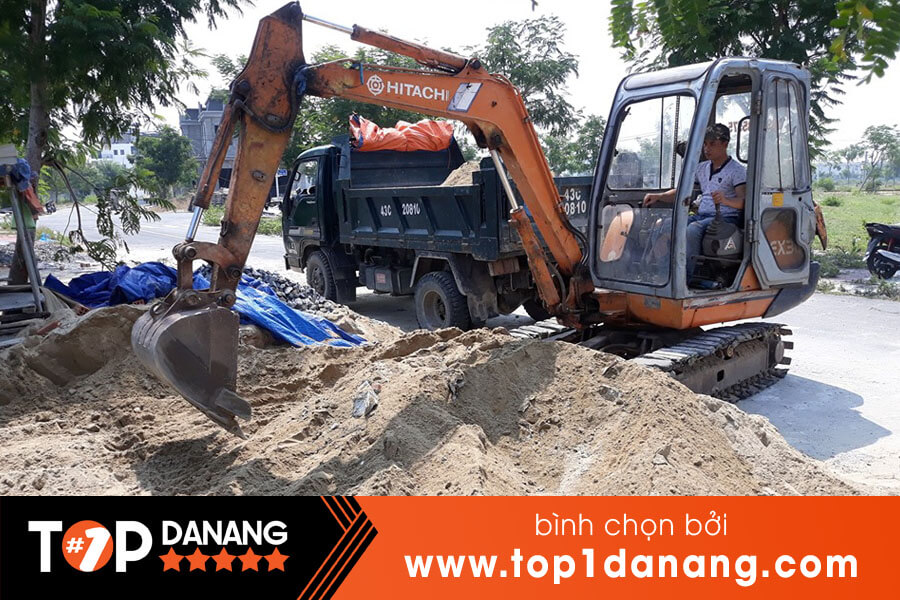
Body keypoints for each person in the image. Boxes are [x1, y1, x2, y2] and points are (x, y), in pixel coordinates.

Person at [642, 123, 746, 280]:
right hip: (701, 216)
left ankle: (685, 279)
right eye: (705, 144)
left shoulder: (737, 171)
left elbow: (743, 201)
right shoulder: (701, 168)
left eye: (712, 144)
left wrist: (725, 200)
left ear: (725, 144)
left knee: (692, 230)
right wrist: (659, 196)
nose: (707, 148)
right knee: (664, 225)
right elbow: (683, 191)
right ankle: (665, 276)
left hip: (724, 217)